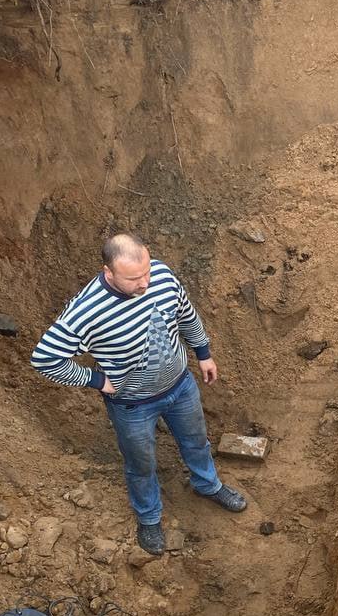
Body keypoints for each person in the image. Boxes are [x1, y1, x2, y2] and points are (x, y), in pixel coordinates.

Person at [31, 233, 245, 555]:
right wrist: (95, 380)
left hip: (180, 386)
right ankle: (149, 517)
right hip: (133, 406)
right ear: (108, 272)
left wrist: (203, 353)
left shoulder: (161, 275)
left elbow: (186, 314)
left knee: (196, 441)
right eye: (133, 279)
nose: (145, 283)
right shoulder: (86, 310)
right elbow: (45, 359)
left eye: (146, 272)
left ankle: (208, 485)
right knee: (141, 464)